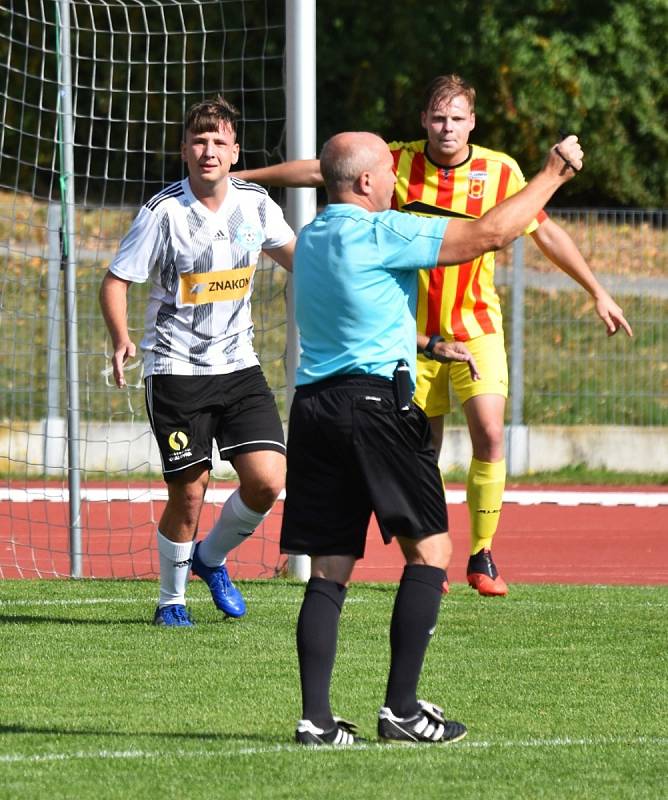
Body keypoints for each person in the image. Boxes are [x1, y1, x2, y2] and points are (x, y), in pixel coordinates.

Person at [234, 74, 632, 598]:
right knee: (424, 449)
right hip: (411, 334)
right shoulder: (393, 162)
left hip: (477, 324)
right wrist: (244, 177)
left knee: (490, 431)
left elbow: (544, 230)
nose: (447, 128)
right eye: (438, 118)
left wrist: (596, 290)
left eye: (457, 118)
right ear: (425, 120)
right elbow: (322, 169)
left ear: (473, 122)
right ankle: (428, 561)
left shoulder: (500, 170)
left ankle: (483, 553)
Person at [281, 130, 583, 745]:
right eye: (387, 173)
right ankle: (401, 710)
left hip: (314, 408)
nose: (396, 182)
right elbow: (491, 234)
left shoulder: (310, 239)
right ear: (365, 182)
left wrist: (423, 344)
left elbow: (353, 307)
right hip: (377, 408)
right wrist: (551, 174)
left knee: (329, 569)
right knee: (433, 553)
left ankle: (315, 720)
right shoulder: (382, 231)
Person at [99, 96, 296, 627]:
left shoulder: (256, 205)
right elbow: (116, 281)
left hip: (240, 366)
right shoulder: (163, 212)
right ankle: (171, 601)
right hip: (176, 370)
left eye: (219, 142)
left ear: (235, 152)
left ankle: (211, 559)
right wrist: (121, 337)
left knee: (267, 480)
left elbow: (299, 258)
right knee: (189, 493)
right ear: (185, 150)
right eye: (199, 141)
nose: (208, 151)